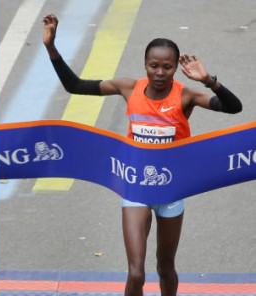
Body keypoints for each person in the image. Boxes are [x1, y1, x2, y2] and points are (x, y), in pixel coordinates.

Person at [42, 14, 241, 296]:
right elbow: (74, 86)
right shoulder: (127, 88)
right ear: (145, 65)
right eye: (153, 66)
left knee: (165, 267)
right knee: (135, 273)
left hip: (172, 190)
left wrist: (209, 80)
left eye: (167, 67)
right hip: (136, 187)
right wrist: (51, 47)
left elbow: (234, 107)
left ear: (176, 69)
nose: (160, 73)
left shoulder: (186, 96)